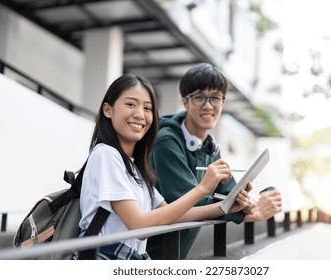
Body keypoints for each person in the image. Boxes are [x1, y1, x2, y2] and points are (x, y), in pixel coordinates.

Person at [77, 73, 251, 260]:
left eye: (148, 108)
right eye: (130, 104)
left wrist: (225, 208)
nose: (139, 114)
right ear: (107, 110)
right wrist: (202, 189)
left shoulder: (135, 167)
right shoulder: (106, 155)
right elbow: (139, 226)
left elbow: (172, 214)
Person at [146, 63, 282, 259]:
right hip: (149, 255)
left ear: (223, 102)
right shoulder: (165, 141)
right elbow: (184, 201)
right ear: (185, 101)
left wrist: (247, 202)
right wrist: (246, 213)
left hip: (175, 254)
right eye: (199, 97)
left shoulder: (210, 146)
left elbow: (228, 196)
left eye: (216, 98)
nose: (208, 106)